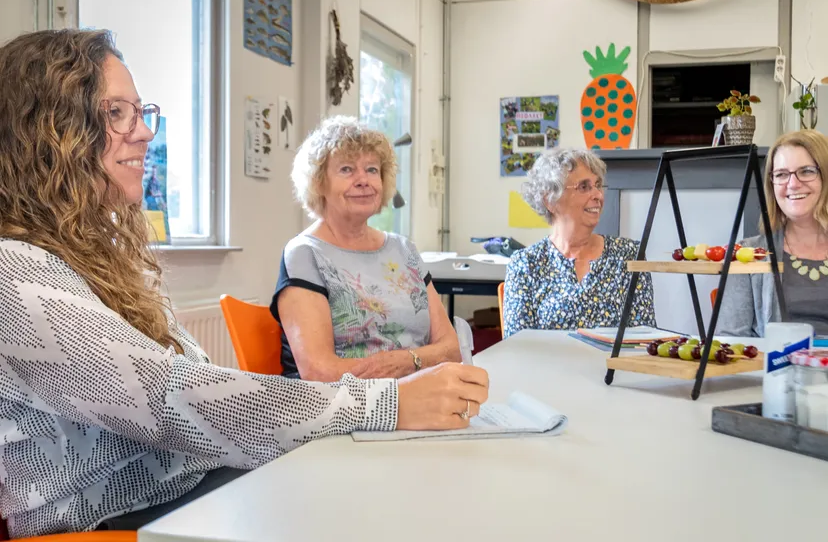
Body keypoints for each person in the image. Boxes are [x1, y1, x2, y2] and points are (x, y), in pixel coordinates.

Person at [0, 29, 488, 538]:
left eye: (142, 113)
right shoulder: (12, 270)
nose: (144, 132)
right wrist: (389, 405)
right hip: (118, 522)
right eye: (116, 113)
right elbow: (170, 398)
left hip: (189, 491)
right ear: (46, 130)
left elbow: (195, 395)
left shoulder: (98, 256)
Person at [271, 116, 461, 381]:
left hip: (420, 394)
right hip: (343, 411)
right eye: (347, 169)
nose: (363, 180)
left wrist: (405, 362)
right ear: (319, 182)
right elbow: (319, 372)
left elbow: (452, 350)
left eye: (372, 169)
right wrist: (413, 370)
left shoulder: (404, 249)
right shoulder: (305, 254)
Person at [503, 147, 655, 338]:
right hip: (548, 367)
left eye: (598, 185)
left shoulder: (629, 255)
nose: (598, 195)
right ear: (550, 200)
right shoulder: (525, 264)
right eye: (584, 187)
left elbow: (644, 339)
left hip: (612, 368)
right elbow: (517, 346)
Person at [718, 130, 828, 337]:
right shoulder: (746, 255)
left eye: (806, 171)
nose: (793, 184)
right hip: (772, 368)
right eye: (781, 174)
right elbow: (731, 340)